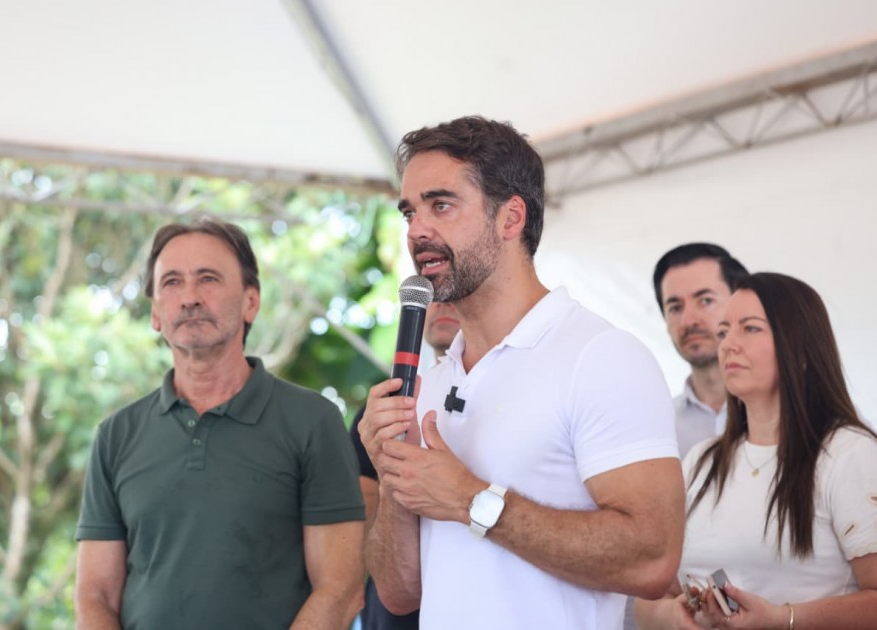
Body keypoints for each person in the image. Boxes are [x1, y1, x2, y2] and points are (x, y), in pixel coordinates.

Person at [358, 115, 685, 630]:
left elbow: (653, 561)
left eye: (440, 205)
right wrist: (391, 473)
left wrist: (469, 499)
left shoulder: (601, 357)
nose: (417, 230)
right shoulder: (430, 383)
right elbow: (399, 594)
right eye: (409, 212)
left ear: (510, 218)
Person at [74, 218, 366, 629]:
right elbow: (95, 596)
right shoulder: (116, 436)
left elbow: (341, 588)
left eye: (208, 279)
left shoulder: (313, 421)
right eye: (172, 283)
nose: (189, 298)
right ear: (155, 313)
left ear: (251, 302)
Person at [634, 272, 877, 629]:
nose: (728, 345)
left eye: (750, 328)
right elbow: (652, 594)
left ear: (802, 348)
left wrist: (783, 618)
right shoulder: (701, 461)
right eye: (724, 332)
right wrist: (672, 615)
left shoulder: (851, 455)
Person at [349, 301, 461, 630]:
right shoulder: (378, 413)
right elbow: (361, 525)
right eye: (431, 295)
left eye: (452, 292)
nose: (441, 305)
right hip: (392, 610)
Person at [652, 243, 749, 458]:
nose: (689, 321)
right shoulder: (657, 429)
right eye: (675, 308)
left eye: (705, 301)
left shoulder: (791, 415)